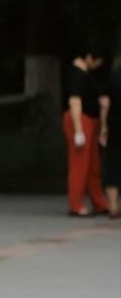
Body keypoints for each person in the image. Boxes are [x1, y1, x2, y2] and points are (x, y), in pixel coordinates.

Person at [62, 45, 108, 216]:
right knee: (79, 165)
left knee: (93, 165)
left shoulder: (83, 74)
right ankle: (76, 204)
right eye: (97, 61)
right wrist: (79, 130)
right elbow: (75, 102)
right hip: (80, 119)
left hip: (89, 120)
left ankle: (99, 201)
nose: (97, 65)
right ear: (89, 57)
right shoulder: (76, 74)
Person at [102, 63, 120, 220]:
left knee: (113, 164)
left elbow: (105, 104)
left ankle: (113, 207)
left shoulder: (113, 76)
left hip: (115, 126)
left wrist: (103, 127)